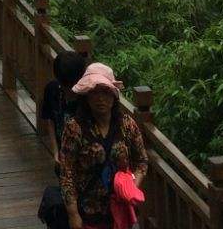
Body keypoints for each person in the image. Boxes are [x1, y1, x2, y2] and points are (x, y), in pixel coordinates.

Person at [57, 61, 148, 229]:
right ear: (87, 96)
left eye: (105, 93)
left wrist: (131, 187)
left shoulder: (126, 124)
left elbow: (142, 161)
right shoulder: (75, 128)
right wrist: (73, 214)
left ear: (113, 96)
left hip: (121, 209)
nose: (100, 99)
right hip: (88, 210)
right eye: (95, 93)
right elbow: (67, 172)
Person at [37, 50, 89, 160]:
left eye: (73, 84)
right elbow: (50, 120)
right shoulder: (52, 90)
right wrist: (56, 151)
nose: (70, 89)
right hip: (63, 154)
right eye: (65, 85)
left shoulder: (88, 97)